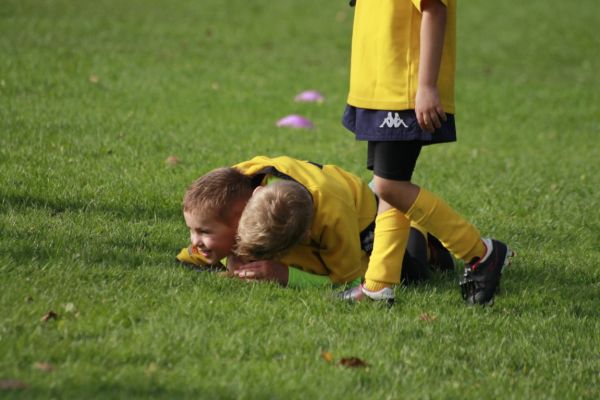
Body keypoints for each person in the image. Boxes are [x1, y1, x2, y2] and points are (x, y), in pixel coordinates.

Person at [340, 0, 514, 305]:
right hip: (379, 84)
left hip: (403, 88)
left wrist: (426, 87)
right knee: (389, 184)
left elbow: (435, 10)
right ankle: (379, 284)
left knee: (390, 186)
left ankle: (480, 253)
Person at [177, 155, 453, 292]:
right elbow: (209, 246)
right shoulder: (235, 186)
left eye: (203, 232)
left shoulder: (332, 217)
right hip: (299, 216)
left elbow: (349, 280)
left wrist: (286, 276)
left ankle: (416, 233)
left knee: (411, 276)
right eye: (193, 229)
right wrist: (218, 258)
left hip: (362, 221)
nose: (195, 241)